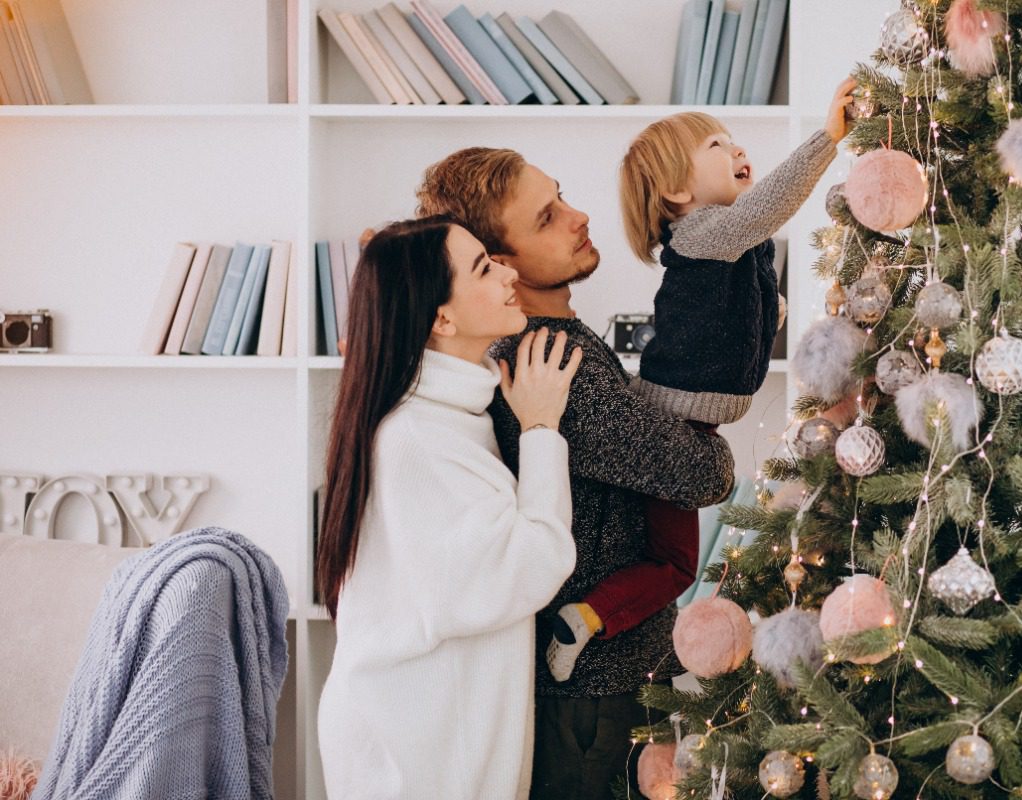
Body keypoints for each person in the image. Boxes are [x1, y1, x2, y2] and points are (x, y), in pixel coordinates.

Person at [415, 150, 736, 800]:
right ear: (499, 264)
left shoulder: (557, 339)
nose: (578, 215)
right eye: (547, 217)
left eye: (560, 195)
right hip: (592, 692)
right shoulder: (551, 360)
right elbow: (703, 476)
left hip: (607, 673)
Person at [315, 216, 582, 800]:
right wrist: (542, 428)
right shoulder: (417, 439)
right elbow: (529, 566)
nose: (508, 273)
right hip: (414, 756)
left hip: (429, 739)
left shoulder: (449, 415)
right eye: (484, 269)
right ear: (442, 318)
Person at [617, 77, 857, 425]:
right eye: (716, 145)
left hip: (694, 417)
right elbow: (769, 202)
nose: (739, 149)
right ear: (677, 190)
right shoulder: (698, 232)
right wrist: (827, 138)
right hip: (668, 409)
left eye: (732, 141)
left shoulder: (734, 241)